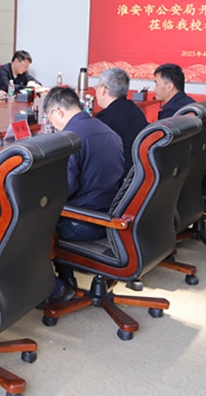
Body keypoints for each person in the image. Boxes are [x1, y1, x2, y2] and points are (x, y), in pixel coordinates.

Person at [43, 86, 124, 302]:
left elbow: (64, 190)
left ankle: (54, 288)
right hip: (110, 218)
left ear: (58, 112)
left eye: (50, 119)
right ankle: (67, 281)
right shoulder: (109, 131)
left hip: (82, 224)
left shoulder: (71, 138)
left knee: (29, 224)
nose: (52, 125)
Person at [94, 68, 149, 178]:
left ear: (104, 90)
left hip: (118, 178)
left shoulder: (105, 118)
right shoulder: (136, 110)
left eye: (97, 86)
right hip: (138, 174)